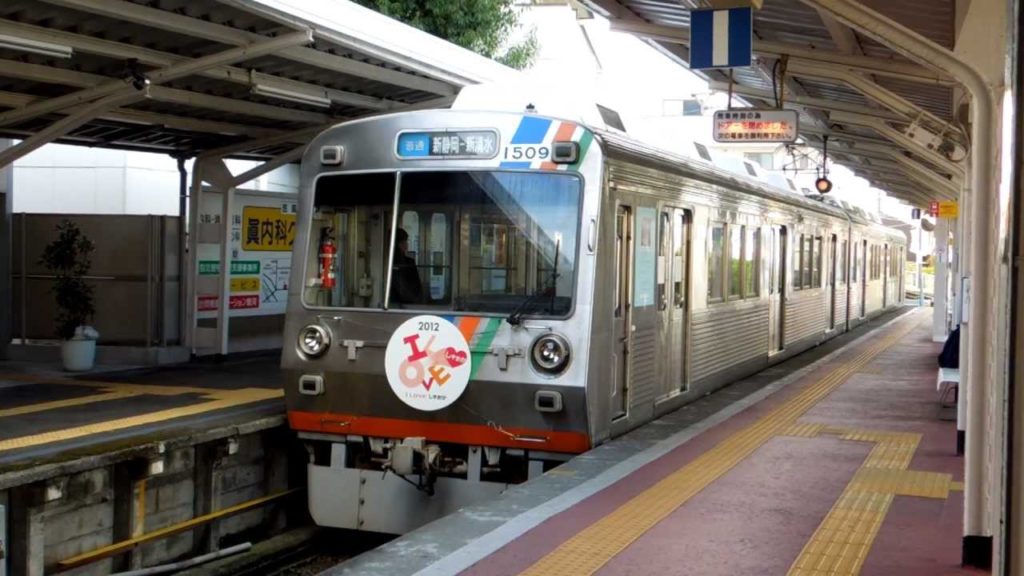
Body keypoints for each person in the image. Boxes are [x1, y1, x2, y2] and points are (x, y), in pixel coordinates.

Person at [391, 228, 424, 305]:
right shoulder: (408, 263)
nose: (406, 245)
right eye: (403, 242)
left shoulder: (388, 262)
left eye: (406, 242)